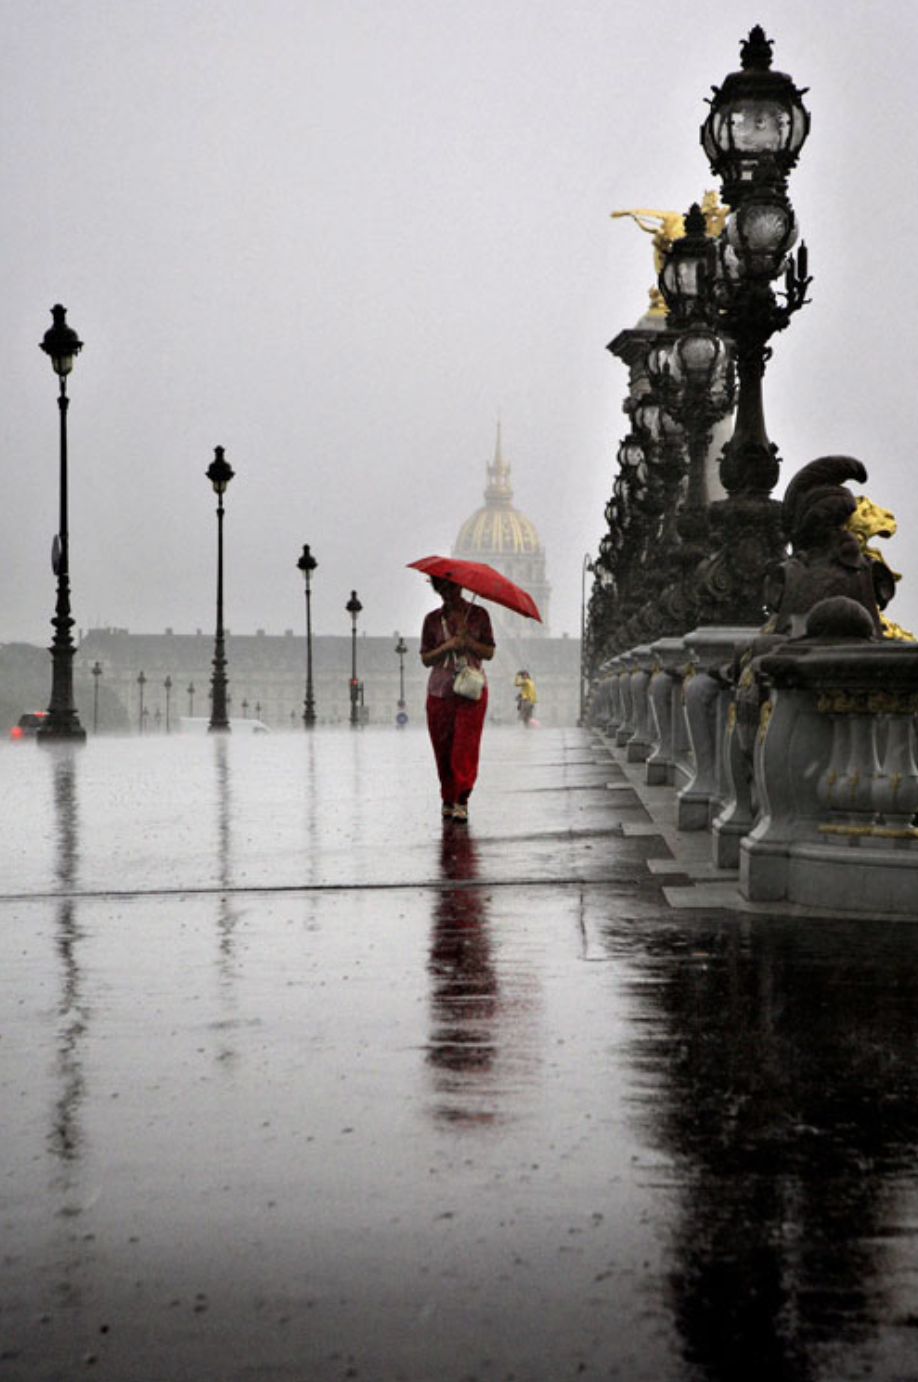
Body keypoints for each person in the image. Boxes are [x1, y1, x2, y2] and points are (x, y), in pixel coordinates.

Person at [420, 576, 495, 822]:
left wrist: (468, 642)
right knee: (443, 749)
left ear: (461, 586)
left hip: (470, 691)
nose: (447, 593)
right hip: (440, 691)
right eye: (441, 588)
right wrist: (449, 645)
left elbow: (489, 652)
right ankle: (447, 797)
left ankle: (462, 798)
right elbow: (426, 659)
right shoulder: (432, 620)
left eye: (451, 587)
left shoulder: (479, 615)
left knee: (464, 747)